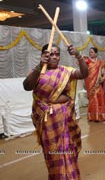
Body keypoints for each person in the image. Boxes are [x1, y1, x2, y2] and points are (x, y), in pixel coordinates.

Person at [23, 44, 88, 179]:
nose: (54, 57)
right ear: (43, 55)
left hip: (65, 120)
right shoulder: (37, 72)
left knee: (69, 150)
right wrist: (40, 66)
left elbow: (84, 74)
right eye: (50, 54)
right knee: (53, 154)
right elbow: (27, 86)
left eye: (56, 54)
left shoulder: (65, 71)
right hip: (48, 123)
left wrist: (79, 56)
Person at [84, 47, 105, 122]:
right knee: (92, 98)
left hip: (98, 82)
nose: (90, 53)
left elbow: (104, 70)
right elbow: (82, 67)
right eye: (89, 52)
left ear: (96, 53)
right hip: (89, 82)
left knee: (99, 96)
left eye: (92, 52)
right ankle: (93, 116)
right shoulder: (87, 61)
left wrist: (103, 77)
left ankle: (99, 115)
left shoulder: (100, 62)